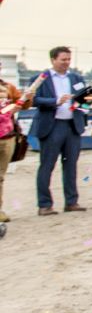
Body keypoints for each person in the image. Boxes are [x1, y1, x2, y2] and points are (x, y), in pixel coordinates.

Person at [31, 45, 92, 215]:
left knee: (71, 166)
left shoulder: (76, 77)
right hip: (52, 126)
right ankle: (44, 204)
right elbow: (33, 99)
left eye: (68, 59)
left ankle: (71, 201)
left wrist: (87, 98)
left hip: (72, 126)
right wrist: (55, 101)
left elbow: (87, 99)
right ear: (53, 59)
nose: (66, 63)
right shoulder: (40, 78)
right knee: (47, 166)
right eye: (63, 60)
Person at [0, 69, 23, 225]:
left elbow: (25, 103)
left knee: (0, 176)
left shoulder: (8, 87)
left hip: (7, 136)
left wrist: (22, 102)